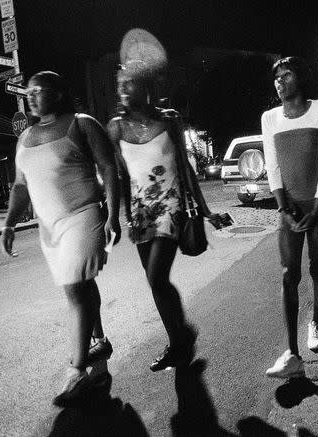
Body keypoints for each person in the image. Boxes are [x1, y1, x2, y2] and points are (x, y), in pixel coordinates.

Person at [0, 71, 121, 406]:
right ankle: (99, 344)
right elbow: (21, 186)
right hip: (49, 228)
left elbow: (109, 168)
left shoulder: (81, 124)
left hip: (83, 217)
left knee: (73, 290)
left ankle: (76, 370)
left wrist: (113, 214)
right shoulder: (24, 138)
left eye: (41, 90)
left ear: (59, 93)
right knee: (82, 284)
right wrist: (9, 224)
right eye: (30, 91)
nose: (33, 96)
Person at [108, 60, 223, 372]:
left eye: (129, 82)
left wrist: (203, 209)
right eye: (119, 83)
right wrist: (118, 216)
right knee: (155, 281)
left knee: (157, 276)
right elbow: (120, 176)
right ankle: (179, 341)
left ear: (146, 87)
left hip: (170, 206)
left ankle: (181, 334)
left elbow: (185, 167)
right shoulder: (115, 127)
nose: (122, 89)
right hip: (140, 212)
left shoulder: (170, 120)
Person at [261, 56, 318, 379]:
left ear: (300, 78)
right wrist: (285, 207)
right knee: (288, 275)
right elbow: (272, 165)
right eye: (276, 77)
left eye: (286, 75)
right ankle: (292, 354)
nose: (279, 81)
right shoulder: (270, 118)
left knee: (316, 266)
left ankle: (315, 324)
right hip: (288, 209)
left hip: (317, 204)